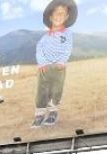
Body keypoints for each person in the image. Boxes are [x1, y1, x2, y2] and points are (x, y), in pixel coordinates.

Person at [31, 1, 77, 129]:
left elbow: (68, 47)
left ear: (67, 17)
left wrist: (62, 61)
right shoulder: (44, 38)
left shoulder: (67, 33)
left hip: (58, 67)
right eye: (56, 13)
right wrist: (42, 63)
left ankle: (52, 113)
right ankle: (39, 115)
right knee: (42, 91)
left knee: (56, 90)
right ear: (50, 17)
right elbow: (39, 50)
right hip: (44, 68)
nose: (59, 16)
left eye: (62, 14)